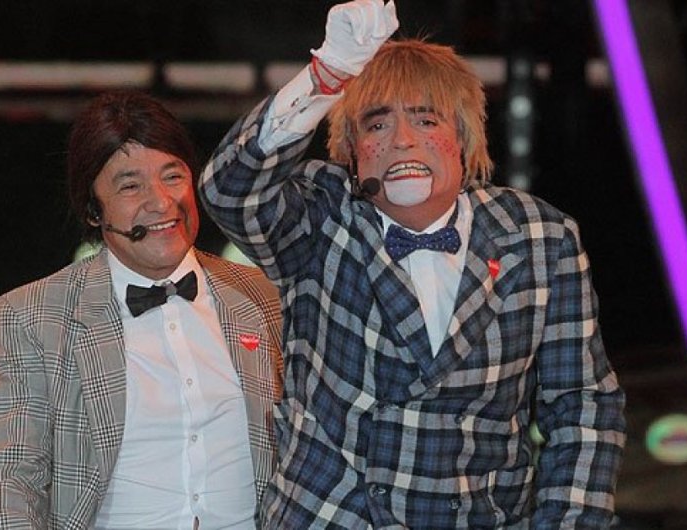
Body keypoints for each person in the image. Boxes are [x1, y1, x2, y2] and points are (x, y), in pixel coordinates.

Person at [199, 0, 626, 527]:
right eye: (378, 124)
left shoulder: (540, 237)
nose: (402, 140)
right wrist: (327, 74)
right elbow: (227, 190)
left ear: (462, 138)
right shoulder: (322, 213)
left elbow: (582, 405)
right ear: (352, 151)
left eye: (426, 119)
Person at [0, 90, 284, 530]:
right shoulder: (33, 316)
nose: (161, 201)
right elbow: (9, 480)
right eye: (130, 185)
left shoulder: (264, 295)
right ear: (93, 210)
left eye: (173, 177)